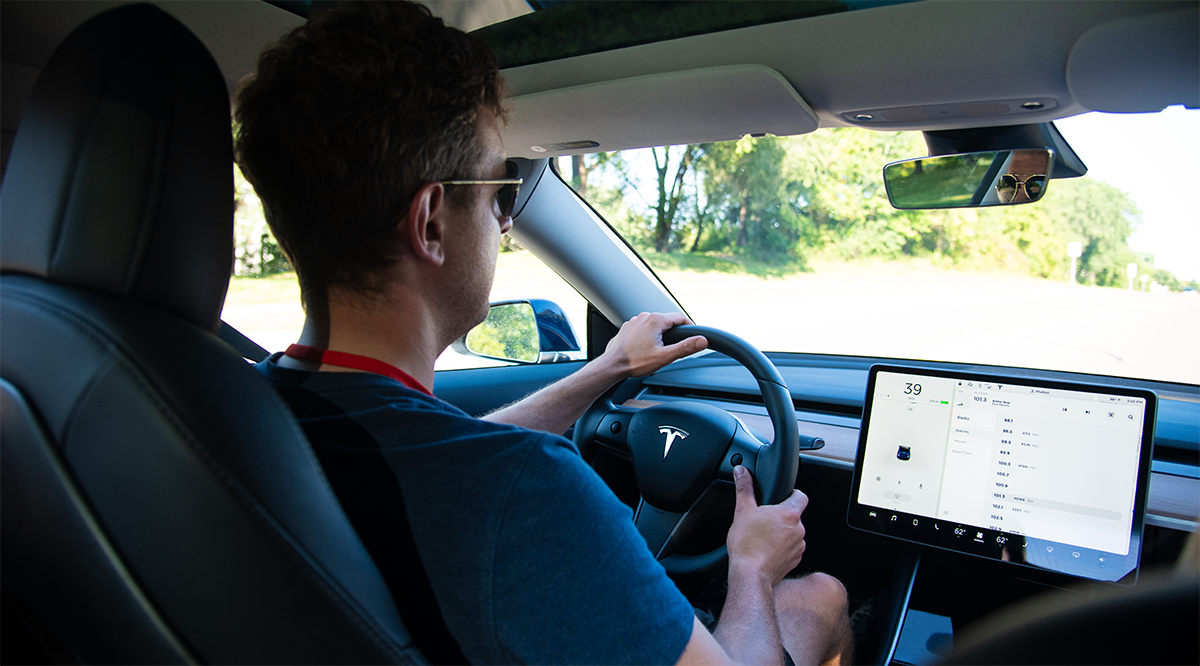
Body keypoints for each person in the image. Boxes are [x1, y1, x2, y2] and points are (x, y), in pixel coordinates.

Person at [233, 1, 853, 665]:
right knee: (820, 599)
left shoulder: (245, 408)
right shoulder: (527, 494)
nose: (505, 225)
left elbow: (449, 455)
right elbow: (483, 474)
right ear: (431, 224)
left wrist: (608, 369)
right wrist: (752, 566)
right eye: (498, 192)